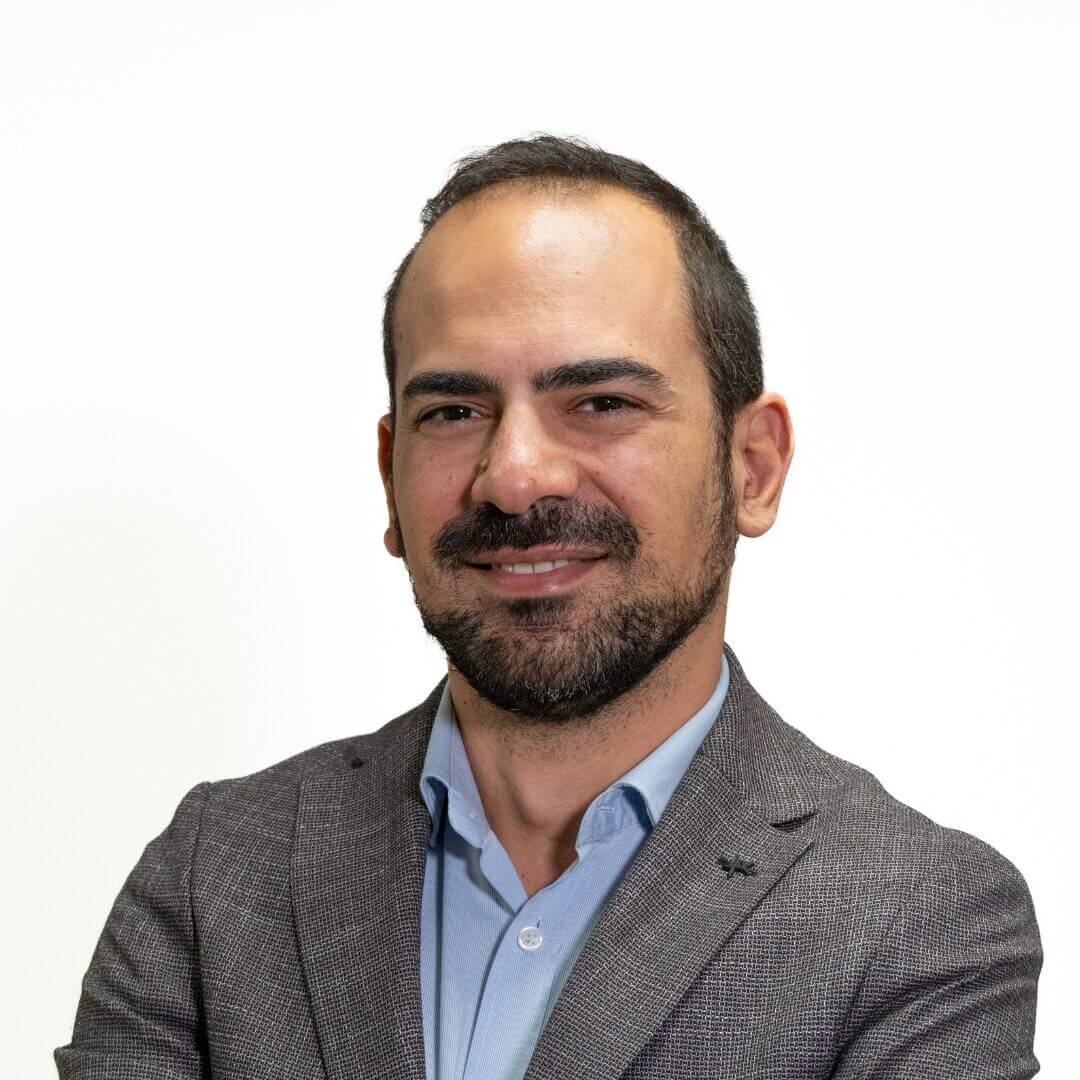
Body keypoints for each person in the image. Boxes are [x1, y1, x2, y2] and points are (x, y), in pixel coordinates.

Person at [55, 135, 1043, 1080]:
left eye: (602, 402)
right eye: (454, 412)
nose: (516, 476)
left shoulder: (918, 921)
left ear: (753, 467)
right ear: (390, 477)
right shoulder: (216, 873)